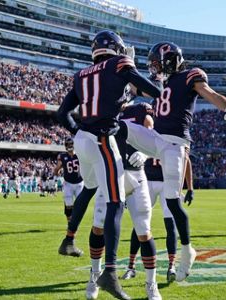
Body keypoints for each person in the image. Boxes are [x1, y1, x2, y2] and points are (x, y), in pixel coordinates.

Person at [119, 41, 226, 281]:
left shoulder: (189, 76)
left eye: (156, 63)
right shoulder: (162, 83)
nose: (153, 68)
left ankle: (187, 250)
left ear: (169, 59)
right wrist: (127, 66)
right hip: (155, 139)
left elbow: (210, 93)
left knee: (173, 202)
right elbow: (134, 87)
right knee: (117, 126)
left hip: (175, 144)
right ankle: (122, 182)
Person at [57, 30, 161, 300]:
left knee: (90, 187)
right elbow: (152, 90)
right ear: (117, 48)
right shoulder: (120, 63)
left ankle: (69, 238)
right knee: (116, 203)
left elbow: (62, 113)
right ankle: (111, 273)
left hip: (82, 141)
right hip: (103, 140)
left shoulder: (81, 74)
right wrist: (142, 77)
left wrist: (80, 131)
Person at [121, 154, 194, 283]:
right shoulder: (148, 134)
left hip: (167, 183)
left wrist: (190, 187)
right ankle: (131, 267)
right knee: (140, 224)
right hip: (147, 182)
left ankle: (171, 266)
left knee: (170, 224)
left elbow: (185, 158)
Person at [54, 138, 84, 222]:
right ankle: (70, 223)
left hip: (79, 183)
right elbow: (57, 168)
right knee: (68, 204)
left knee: (80, 204)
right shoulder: (63, 156)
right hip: (68, 183)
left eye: (71, 144)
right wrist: (56, 173)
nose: (70, 146)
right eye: (68, 144)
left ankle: (75, 221)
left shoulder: (80, 154)